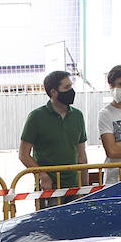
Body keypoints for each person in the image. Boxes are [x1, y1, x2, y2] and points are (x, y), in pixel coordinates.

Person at [19, 70, 88, 208]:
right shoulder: (36, 117)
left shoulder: (77, 116)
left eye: (71, 86)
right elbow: (23, 154)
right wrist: (43, 175)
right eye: (66, 87)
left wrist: (85, 188)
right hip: (49, 189)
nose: (71, 91)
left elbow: (81, 154)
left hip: (74, 187)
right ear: (53, 92)